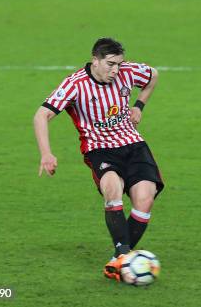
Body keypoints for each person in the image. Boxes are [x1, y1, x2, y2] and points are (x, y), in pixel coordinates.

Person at [33, 37, 164, 281]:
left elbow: (153, 75)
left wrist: (139, 106)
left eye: (119, 64)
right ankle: (125, 256)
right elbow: (42, 115)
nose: (116, 70)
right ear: (95, 60)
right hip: (100, 149)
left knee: (145, 200)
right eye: (110, 64)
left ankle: (118, 261)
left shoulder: (128, 72)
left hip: (133, 144)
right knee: (112, 187)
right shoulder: (75, 84)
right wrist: (46, 153)